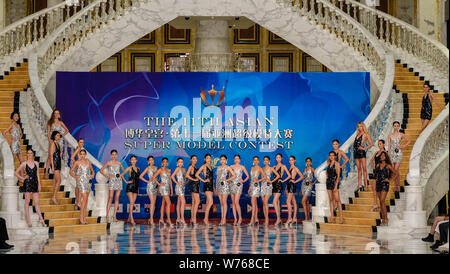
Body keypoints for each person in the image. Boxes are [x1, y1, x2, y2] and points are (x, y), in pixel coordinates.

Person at [14, 149, 47, 227]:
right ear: (26, 154)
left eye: (30, 153)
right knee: (27, 201)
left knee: (37, 202)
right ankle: (28, 219)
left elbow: (37, 175)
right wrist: (22, 178)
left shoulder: (36, 163)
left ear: (33, 154)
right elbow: (15, 172)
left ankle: (41, 219)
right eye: (28, 153)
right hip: (27, 183)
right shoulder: (24, 164)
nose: (29, 155)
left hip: (35, 183)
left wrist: (39, 184)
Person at [99, 149, 126, 222]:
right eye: (112, 154)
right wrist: (107, 175)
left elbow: (124, 171)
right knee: (110, 197)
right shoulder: (108, 163)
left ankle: (114, 216)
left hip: (118, 181)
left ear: (117, 155)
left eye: (115, 155)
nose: (114, 156)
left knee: (117, 198)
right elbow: (101, 170)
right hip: (112, 181)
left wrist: (121, 175)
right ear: (111, 155)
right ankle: (107, 216)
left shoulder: (119, 163)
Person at [69, 149, 95, 224]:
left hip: (88, 181)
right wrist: (75, 176)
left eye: (84, 154)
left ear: (85, 155)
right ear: (79, 155)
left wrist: (92, 175)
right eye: (81, 154)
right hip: (81, 181)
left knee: (86, 200)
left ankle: (84, 217)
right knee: (84, 198)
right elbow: (70, 171)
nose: (82, 155)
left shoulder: (88, 162)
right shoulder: (77, 162)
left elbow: (92, 171)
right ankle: (81, 217)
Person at [374, 151, 396, 225]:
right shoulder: (377, 165)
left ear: (386, 157)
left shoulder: (388, 166)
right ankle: (383, 218)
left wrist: (390, 180)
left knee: (382, 200)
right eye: (381, 155)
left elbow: (396, 173)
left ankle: (386, 218)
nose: (382, 156)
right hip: (378, 184)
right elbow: (376, 175)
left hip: (385, 184)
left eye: (384, 155)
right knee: (380, 202)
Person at [45, 109, 69, 178]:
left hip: (59, 142)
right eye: (55, 113)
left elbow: (67, 130)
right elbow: (48, 132)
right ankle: (46, 172)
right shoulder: (50, 122)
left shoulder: (60, 122)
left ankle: (57, 171)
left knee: (58, 156)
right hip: (52, 141)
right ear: (53, 114)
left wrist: (62, 135)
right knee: (50, 156)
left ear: (59, 115)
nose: (56, 114)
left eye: (57, 113)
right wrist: (50, 141)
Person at [388, 121, 411, 192]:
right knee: (395, 170)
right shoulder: (390, 135)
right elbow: (389, 146)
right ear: (393, 126)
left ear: (399, 126)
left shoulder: (401, 134)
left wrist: (402, 146)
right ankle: (397, 186)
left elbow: (409, 140)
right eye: (395, 125)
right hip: (392, 154)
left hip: (398, 154)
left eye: (397, 126)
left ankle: (397, 186)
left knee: (395, 169)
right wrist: (388, 154)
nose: (396, 127)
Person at [151, 157, 173, 227]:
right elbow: (154, 177)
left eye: (166, 161)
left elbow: (170, 181)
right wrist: (159, 184)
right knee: (169, 203)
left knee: (163, 203)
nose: (165, 163)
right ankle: (168, 219)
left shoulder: (169, 170)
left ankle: (161, 219)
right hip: (163, 188)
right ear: (162, 163)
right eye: (164, 161)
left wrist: (172, 190)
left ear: (167, 163)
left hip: (167, 188)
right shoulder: (160, 169)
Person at [215, 155, 236, 226]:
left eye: (224, 159)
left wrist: (227, 180)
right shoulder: (218, 168)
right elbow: (217, 178)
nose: (222, 161)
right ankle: (222, 218)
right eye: (221, 159)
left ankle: (224, 219)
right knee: (221, 203)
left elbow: (234, 175)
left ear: (226, 160)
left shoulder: (227, 167)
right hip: (219, 186)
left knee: (224, 202)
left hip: (225, 186)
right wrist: (216, 188)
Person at [369, 139, 389, 211]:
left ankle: (380, 204)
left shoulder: (384, 153)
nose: (379, 145)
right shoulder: (377, 152)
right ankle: (375, 204)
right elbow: (371, 160)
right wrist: (374, 167)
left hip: (381, 173)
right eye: (378, 143)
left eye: (380, 143)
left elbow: (388, 162)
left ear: (383, 145)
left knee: (379, 189)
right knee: (373, 187)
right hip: (376, 172)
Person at [353, 122, 374, 192]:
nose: (359, 128)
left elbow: (371, 143)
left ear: (363, 127)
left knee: (364, 169)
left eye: (361, 126)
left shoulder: (365, 134)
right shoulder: (357, 134)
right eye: (358, 126)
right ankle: (359, 185)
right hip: (355, 153)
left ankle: (366, 186)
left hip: (361, 153)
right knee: (359, 169)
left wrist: (364, 148)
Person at [230, 154, 250, 226]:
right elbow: (230, 176)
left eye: (238, 158)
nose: (236, 160)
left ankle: (240, 218)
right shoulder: (231, 167)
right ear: (234, 159)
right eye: (235, 158)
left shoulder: (242, 167)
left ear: (239, 159)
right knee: (233, 203)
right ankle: (235, 219)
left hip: (238, 185)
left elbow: (248, 176)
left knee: (236, 202)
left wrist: (243, 181)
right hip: (232, 185)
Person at [121, 155, 140, 225]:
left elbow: (137, 179)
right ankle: (132, 218)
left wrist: (138, 189)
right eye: (132, 159)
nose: (133, 161)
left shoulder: (138, 169)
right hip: (130, 187)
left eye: (134, 159)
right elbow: (121, 174)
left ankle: (129, 218)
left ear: (136, 160)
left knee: (132, 203)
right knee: (132, 202)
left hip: (136, 187)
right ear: (130, 161)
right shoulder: (129, 168)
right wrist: (126, 181)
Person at [196, 154, 215, 226]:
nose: (209, 159)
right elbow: (197, 174)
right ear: (205, 159)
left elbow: (211, 178)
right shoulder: (204, 166)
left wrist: (214, 188)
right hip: (206, 185)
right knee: (211, 202)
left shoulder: (211, 167)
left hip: (211, 186)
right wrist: (203, 180)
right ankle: (205, 219)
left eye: (210, 158)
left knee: (208, 202)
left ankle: (206, 219)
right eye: (207, 158)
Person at [273, 153, 291, 226]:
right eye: (277, 157)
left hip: (279, 185)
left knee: (274, 201)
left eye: (279, 157)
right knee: (277, 202)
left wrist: (283, 180)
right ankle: (279, 218)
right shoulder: (274, 167)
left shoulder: (283, 166)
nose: (278, 159)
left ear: (281, 158)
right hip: (273, 184)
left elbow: (289, 175)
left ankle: (278, 219)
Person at [139, 155, 158, 226]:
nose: (151, 161)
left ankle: (151, 218)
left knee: (154, 203)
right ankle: (151, 219)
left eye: (152, 160)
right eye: (150, 160)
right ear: (148, 161)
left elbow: (157, 177)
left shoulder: (156, 168)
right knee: (152, 202)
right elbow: (140, 176)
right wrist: (147, 181)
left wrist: (158, 186)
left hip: (155, 186)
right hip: (150, 186)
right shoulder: (147, 168)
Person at [261, 156, 280, 226]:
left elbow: (278, 175)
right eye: (264, 160)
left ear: (269, 161)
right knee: (264, 203)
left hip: (268, 186)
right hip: (262, 186)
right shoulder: (262, 169)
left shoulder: (271, 168)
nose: (265, 161)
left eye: (267, 160)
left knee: (266, 202)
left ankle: (267, 219)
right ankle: (266, 218)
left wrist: (271, 181)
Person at [331, 139, 349, 213]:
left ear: (338, 144)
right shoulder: (331, 153)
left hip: (338, 171)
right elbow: (329, 161)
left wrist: (342, 166)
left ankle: (337, 206)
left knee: (336, 188)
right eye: (333, 144)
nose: (335, 145)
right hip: (332, 171)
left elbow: (347, 159)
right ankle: (335, 205)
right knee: (333, 189)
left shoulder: (340, 152)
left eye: (336, 144)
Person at [286, 156, 303, 226]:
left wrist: (295, 181)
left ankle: (290, 218)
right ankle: (294, 218)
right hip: (289, 185)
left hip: (292, 185)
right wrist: (287, 186)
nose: (290, 161)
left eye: (292, 160)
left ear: (294, 161)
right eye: (290, 160)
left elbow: (302, 176)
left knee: (288, 201)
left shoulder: (295, 168)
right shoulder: (289, 168)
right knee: (294, 202)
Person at [326, 151, 343, 224]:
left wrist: (336, 186)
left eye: (333, 155)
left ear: (335, 156)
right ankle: (332, 216)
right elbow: (327, 173)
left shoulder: (337, 164)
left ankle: (341, 217)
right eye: (330, 155)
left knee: (337, 200)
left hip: (334, 182)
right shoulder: (329, 164)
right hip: (329, 182)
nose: (331, 157)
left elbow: (338, 176)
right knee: (331, 200)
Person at [248, 156, 265, 226]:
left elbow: (264, 177)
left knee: (253, 203)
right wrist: (249, 188)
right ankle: (256, 219)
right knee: (254, 203)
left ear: (258, 161)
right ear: (253, 161)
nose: (256, 161)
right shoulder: (251, 168)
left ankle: (252, 220)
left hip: (256, 186)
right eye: (254, 160)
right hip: (251, 186)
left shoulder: (259, 168)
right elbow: (251, 179)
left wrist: (258, 180)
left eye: (257, 160)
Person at [171, 157, 187, 227]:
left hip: (183, 187)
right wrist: (177, 182)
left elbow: (186, 177)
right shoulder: (177, 169)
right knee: (183, 202)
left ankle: (178, 218)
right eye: (179, 162)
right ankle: (182, 219)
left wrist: (186, 182)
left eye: (181, 162)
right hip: (179, 187)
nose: (180, 163)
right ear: (177, 163)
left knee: (179, 202)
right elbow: (172, 176)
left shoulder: (184, 169)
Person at [70, 138, 85, 209]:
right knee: (78, 186)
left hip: (82, 169)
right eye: (80, 142)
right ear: (78, 142)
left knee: (80, 186)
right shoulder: (78, 149)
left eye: (82, 142)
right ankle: (77, 202)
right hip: (78, 169)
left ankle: (78, 201)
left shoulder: (82, 149)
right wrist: (76, 164)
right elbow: (72, 157)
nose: (82, 143)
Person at [185, 155, 200, 226]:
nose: (195, 160)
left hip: (196, 185)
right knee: (197, 201)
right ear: (191, 160)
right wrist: (194, 179)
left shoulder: (196, 167)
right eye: (193, 159)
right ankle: (194, 219)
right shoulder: (191, 167)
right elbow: (187, 175)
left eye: (196, 159)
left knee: (194, 202)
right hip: (193, 185)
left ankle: (192, 219)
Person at [49, 131, 63, 205]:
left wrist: (61, 154)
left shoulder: (58, 144)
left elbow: (60, 152)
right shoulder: (53, 144)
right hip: (55, 163)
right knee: (59, 180)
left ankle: (53, 197)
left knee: (55, 181)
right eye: (57, 135)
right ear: (54, 136)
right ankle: (54, 197)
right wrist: (53, 167)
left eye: (59, 135)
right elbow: (51, 156)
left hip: (58, 162)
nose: (58, 136)